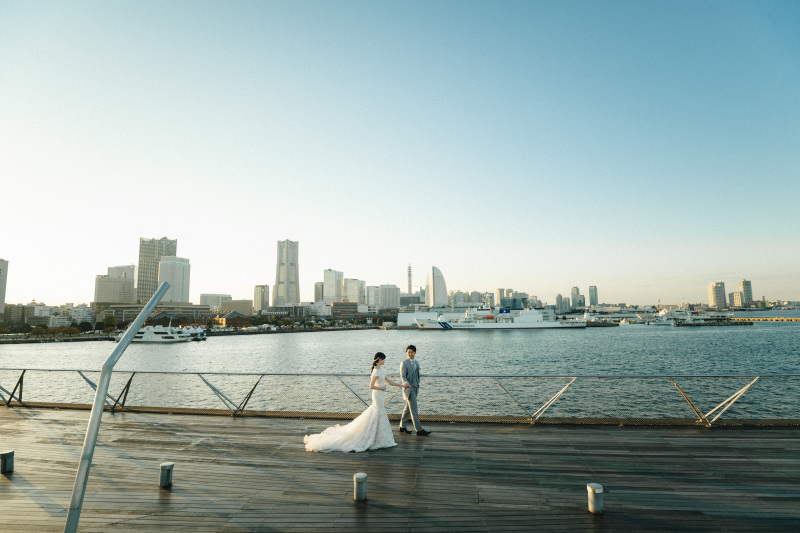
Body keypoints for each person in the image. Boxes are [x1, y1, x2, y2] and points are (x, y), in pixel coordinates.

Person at [304, 352, 409, 453]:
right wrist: (381, 387)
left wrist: (402, 385)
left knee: (379, 414)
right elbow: (371, 386)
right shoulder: (375, 372)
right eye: (384, 359)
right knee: (377, 413)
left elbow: (389, 382)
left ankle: (379, 438)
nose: (385, 361)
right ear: (380, 360)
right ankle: (371, 438)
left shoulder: (382, 370)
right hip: (377, 394)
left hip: (381, 395)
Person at [399, 345, 431, 436]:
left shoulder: (416, 362)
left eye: (412, 352)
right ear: (406, 353)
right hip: (409, 388)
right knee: (414, 409)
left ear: (415, 353)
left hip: (416, 387)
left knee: (408, 408)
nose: (410, 354)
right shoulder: (404, 363)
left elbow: (417, 375)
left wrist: (417, 384)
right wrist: (406, 383)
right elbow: (403, 376)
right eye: (408, 352)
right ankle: (419, 430)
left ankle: (402, 426)